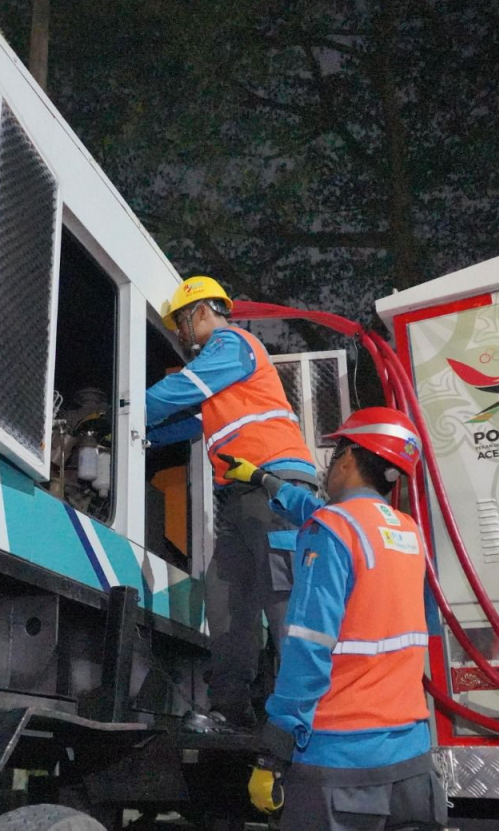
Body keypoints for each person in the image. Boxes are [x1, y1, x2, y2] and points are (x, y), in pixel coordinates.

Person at [221, 407, 446, 831]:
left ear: (347, 459)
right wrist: (263, 480)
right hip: (411, 765)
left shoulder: (333, 529)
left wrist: (275, 747)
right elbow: (325, 513)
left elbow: (308, 647)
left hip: (340, 767)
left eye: (334, 456)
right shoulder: (407, 532)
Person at [145, 276, 318, 728]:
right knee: (227, 602)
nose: (180, 335)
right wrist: (142, 434)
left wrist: (125, 407)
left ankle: (311, 718)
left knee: (284, 605)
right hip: (240, 496)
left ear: (203, 311)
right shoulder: (228, 379)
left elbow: (183, 390)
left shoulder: (232, 344)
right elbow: (196, 422)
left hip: (274, 488)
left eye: (181, 323)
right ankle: (231, 709)